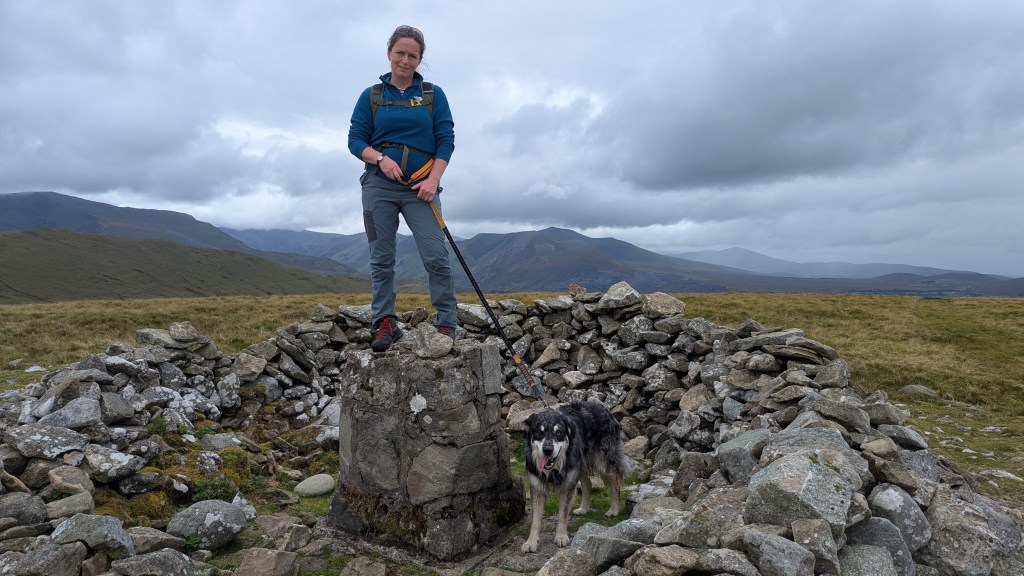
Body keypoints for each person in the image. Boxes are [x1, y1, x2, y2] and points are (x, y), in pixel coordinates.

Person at [348, 25, 457, 352]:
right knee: (381, 258)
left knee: (436, 255)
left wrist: (433, 180)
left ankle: (447, 322)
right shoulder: (371, 97)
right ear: (389, 54)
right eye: (400, 53)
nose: (405, 60)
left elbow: (446, 140)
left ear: (419, 59)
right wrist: (380, 158)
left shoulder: (432, 95)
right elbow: (355, 140)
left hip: (422, 188)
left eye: (412, 55)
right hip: (378, 187)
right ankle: (384, 323)